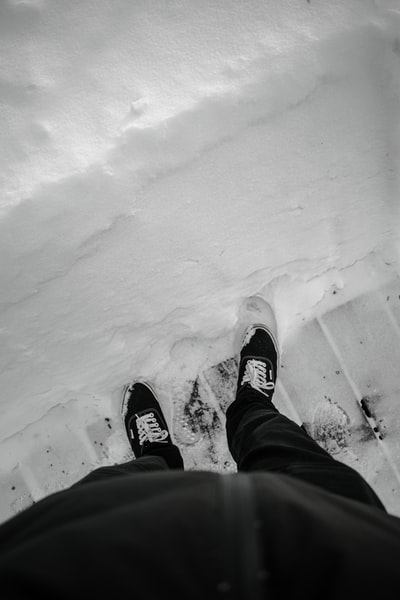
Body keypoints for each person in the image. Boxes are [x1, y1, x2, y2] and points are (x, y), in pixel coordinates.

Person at [0, 323, 399, 599]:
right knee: (290, 460)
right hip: (349, 559)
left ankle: (158, 458)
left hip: (98, 567)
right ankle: (252, 405)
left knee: (114, 495)